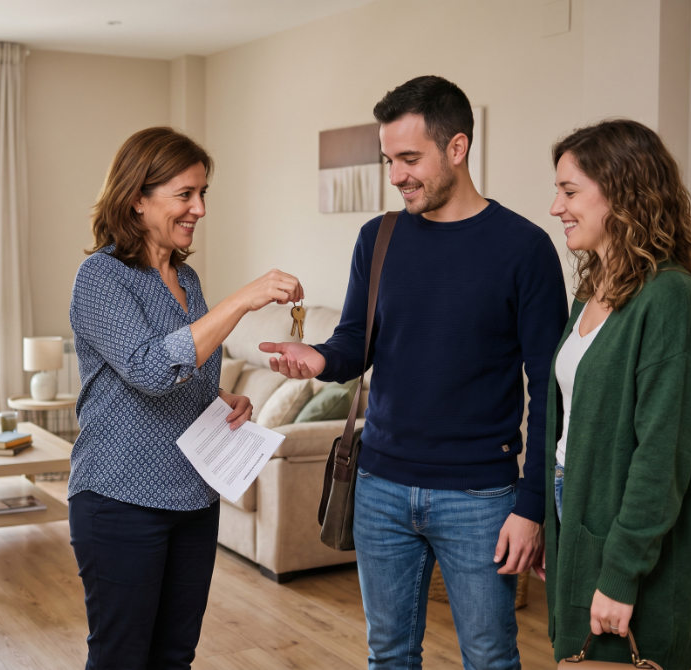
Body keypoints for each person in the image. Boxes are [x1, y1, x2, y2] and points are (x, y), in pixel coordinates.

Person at [261, 76, 568, 670]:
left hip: (481, 496)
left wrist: (533, 507)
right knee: (389, 654)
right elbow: (357, 339)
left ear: (457, 148)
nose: (396, 175)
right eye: (388, 161)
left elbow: (548, 389)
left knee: (489, 656)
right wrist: (320, 358)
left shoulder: (524, 249)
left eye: (409, 158)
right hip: (379, 485)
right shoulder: (378, 238)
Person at [67, 126, 305, 670]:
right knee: (121, 658)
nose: (199, 208)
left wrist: (222, 398)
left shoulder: (187, 279)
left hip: (195, 501)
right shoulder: (100, 278)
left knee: (175, 657)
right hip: (119, 501)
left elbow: (182, 371)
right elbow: (149, 368)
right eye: (185, 195)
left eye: (203, 195)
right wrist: (243, 299)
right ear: (136, 199)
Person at [542, 119, 691, 669]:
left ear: (622, 193)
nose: (556, 208)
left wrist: (620, 574)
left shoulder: (670, 300)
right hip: (577, 508)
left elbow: (661, 459)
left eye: (570, 192)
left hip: (628, 537)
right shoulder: (594, 290)